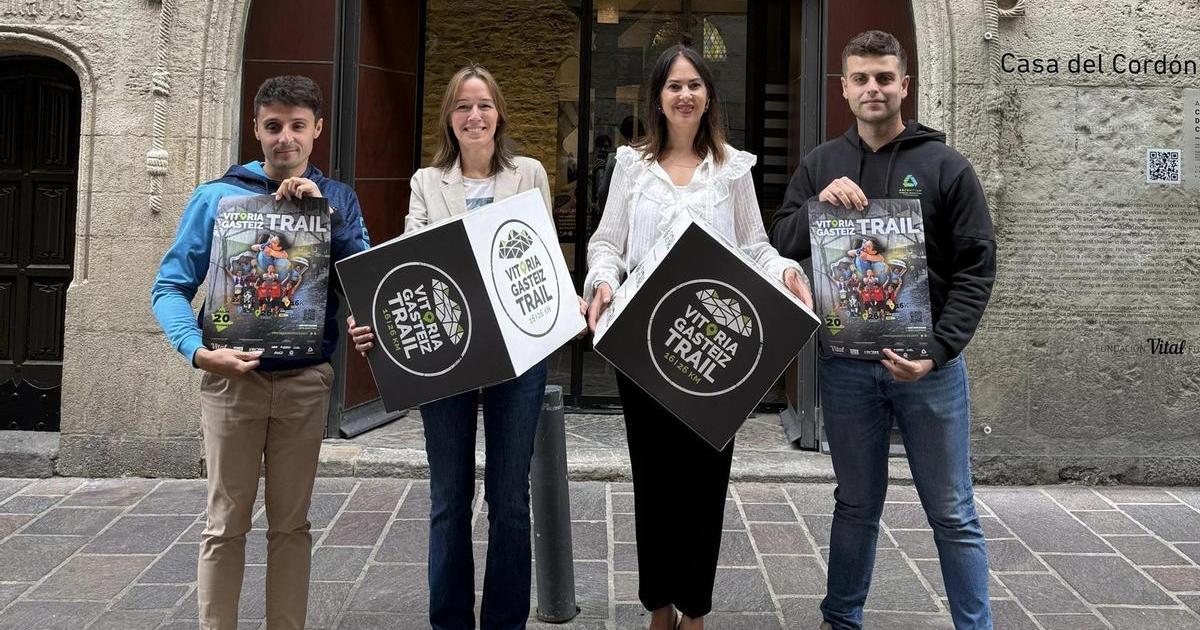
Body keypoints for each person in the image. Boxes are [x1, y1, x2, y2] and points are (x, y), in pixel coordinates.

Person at [769, 30, 996, 630]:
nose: (874, 88)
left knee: (952, 511)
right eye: (861, 78)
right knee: (855, 504)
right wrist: (817, 205)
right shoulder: (820, 164)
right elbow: (781, 241)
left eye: (885, 77)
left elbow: (976, 268)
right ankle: (841, 619)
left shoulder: (948, 168)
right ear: (844, 89)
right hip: (846, 367)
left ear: (905, 85)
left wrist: (939, 351)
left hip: (928, 371)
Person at [347, 64, 583, 630]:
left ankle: (505, 622)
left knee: (511, 497)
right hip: (446, 356)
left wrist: (566, 297)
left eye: (484, 105)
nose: (474, 116)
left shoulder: (529, 173)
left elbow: (541, 253)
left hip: (518, 355)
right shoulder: (427, 182)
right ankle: (449, 621)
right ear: (449, 118)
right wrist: (374, 318)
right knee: (449, 497)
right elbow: (408, 261)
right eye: (463, 106)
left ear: (499, 113)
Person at [584, 45, 812, 630]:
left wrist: (785, 271)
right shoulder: (631, 167)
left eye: (694, 85)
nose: (684, 95)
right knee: (653, 479)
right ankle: (659, 605)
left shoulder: (731, 169)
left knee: (706, 482)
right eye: (673, 86)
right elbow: (607, 244)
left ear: (708, 95)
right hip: (643, 344)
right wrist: (603, 281)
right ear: (658, 98)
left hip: (713, 349)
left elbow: (754, 246)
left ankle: (695, 610)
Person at [150, 75, 370, 630]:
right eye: (273, 126)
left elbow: (365, 280)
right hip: (231, 382)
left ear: (317, 130)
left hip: (304, 382)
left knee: (291, 526)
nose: (285, 138)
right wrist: (198, 353)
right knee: (225, 525)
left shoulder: (339, 199)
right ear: (256, 129)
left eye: (297, 126)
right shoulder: (217, 197)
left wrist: (324, 215)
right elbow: (169, 287)